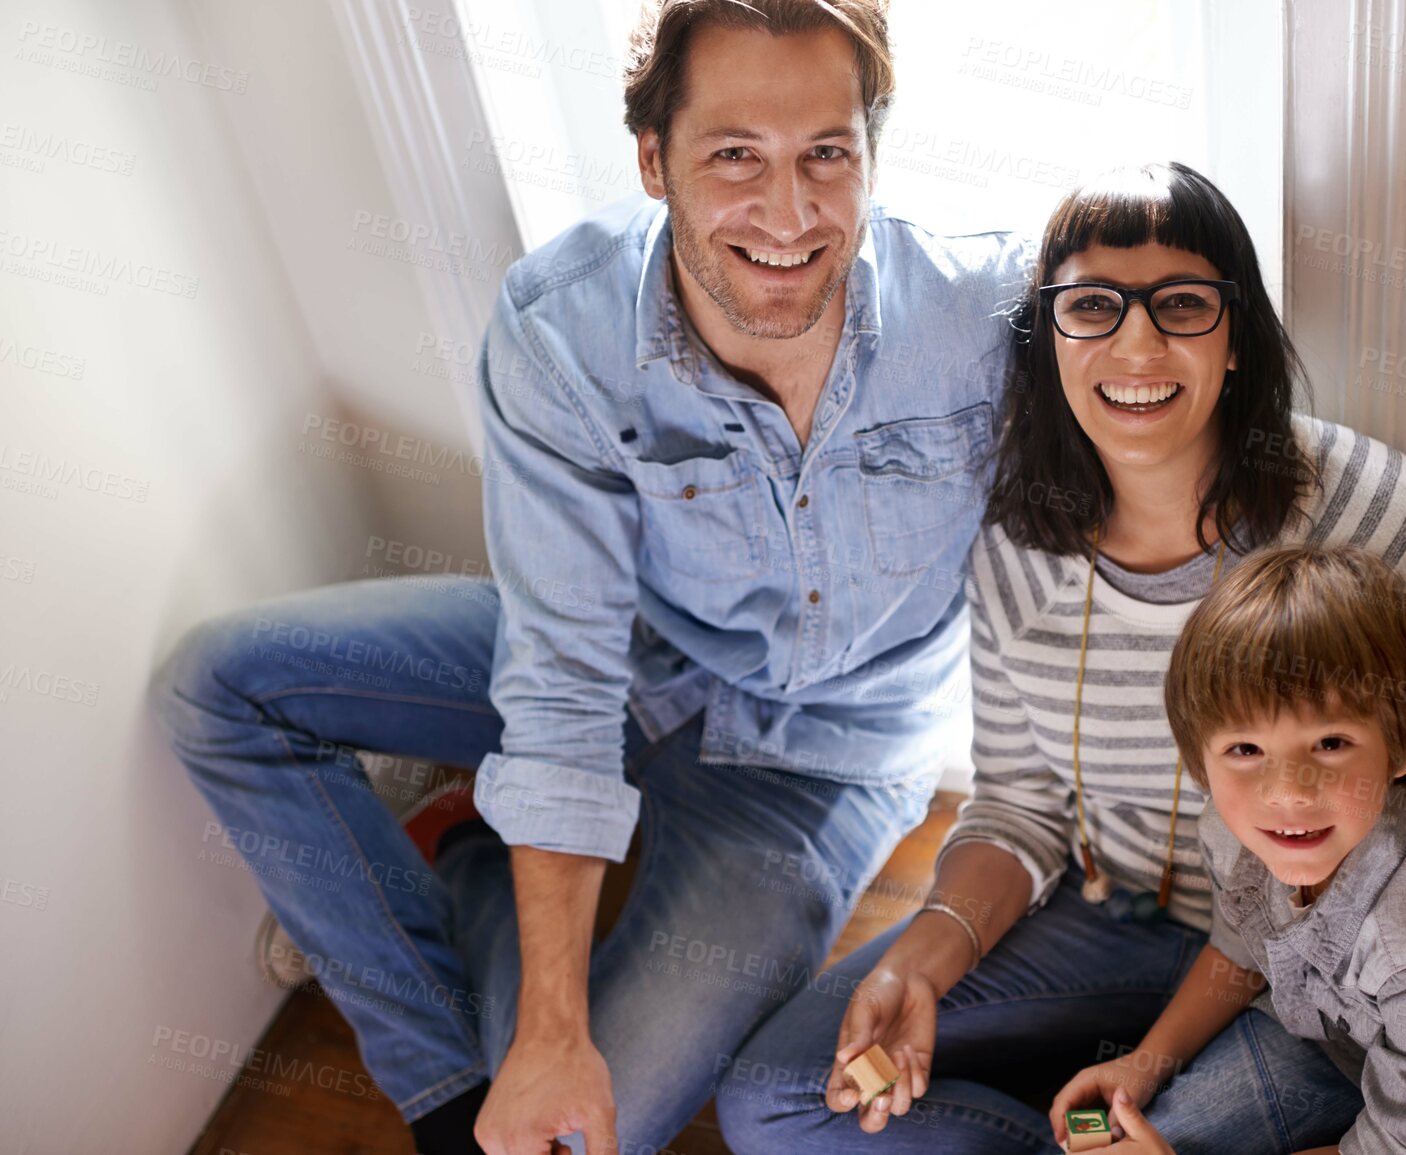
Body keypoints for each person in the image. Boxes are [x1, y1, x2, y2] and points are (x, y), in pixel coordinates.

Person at [147, 2, 1034, 1152]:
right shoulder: (559, 330)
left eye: (828, 154)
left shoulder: (987, 317)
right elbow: (559, 678)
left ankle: (468, 859)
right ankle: (445, 1085)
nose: (789, 211)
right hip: (616, 664)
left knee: (589, 1134)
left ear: (873, 151)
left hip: (824, 760)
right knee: (218, 684)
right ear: (653, 160)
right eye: (734, 156)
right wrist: (543, 1041)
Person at [718, 162, 1406, 1154]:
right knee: (781, 1098)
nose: (1136, 342)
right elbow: (1018, 806)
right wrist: (923, 956)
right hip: (1137, 929)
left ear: (1237, 339)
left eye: (1180, 304)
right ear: (1047, 341)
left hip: (1354, 952)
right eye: (1092, 305)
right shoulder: (1015, 547)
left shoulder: (1392, 519)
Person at [1049, 543, 1406, 1154]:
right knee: (1115, 1141)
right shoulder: (1230, 828)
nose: (1287, 792)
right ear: (1202, 764)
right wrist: (1145, 1063)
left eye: (1330, 743)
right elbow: (1240, 947)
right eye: (1245, 750)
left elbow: (1405, 1145)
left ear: (1404, 749)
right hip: (1338, 1044)